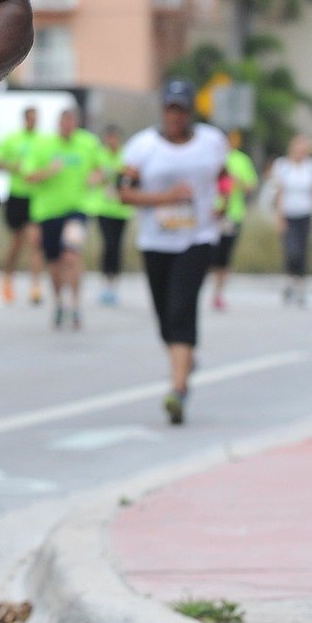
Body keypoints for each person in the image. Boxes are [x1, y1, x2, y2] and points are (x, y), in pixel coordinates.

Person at [120, 78, 228, 425]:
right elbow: (124, 193)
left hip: (197, 238)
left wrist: (224, 201)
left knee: (182, 309)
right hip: (156, 240)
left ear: (190, 112)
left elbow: (225, 178)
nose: (176, 116)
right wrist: (165, 199)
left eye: (182, 109)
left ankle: (177, 390)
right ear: (163, 109)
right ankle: (184, 356)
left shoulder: (212, 141)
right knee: (165, 318)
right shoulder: (143, 147)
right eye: (171, 108)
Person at [23, 106, 100, 329]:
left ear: (76, 123)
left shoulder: (88, 143)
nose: (68, 126)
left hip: (77, 208)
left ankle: (76, 305)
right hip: (48, 212)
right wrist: (49, 171)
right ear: (58, 124)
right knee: (55, 263)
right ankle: (59, 303)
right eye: (64, 122)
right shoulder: (43, 145)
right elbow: (28, 175)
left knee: (72, 254)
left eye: (71, 122)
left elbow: (101, 168)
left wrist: (96, 176)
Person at [0, 105, 45, 305]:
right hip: (17, 196)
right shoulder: (13, 139)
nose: (33, 122)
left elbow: (49, 164)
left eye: (36, 118)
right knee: (16, 244)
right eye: (30, 118)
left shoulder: (43, 141)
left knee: (36, 241)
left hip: (36, 198)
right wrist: (12, 166)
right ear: (25, 120)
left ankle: (36, 287)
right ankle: (7, 281)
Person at [269, 134, 312, 306]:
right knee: (291, 250)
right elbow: (278, 192)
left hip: (305, 213)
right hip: (288, 213)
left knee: (302, 251)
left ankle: (300, 285)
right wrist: (279, 216)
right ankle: (290, 279)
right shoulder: (282, 166)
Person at [208, 133, 259, 310]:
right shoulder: (210, 157)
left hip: (232, 214)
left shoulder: (241, 160)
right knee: (208, 254)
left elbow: (251, 185)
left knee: (224, 255)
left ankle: (218, 292)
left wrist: (238, 181)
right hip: (210, 214)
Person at [85, 123, 134, 306]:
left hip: (121, 208)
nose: (112, 141)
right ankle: (106, 282)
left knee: (118, 246)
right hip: (104, 207)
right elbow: (90, 178)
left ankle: (114, 284)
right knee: (108, 244)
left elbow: (132, 178)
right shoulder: (99, 155)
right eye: (109, 138)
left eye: (115, 138)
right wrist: (102, 178)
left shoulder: (126, 155)